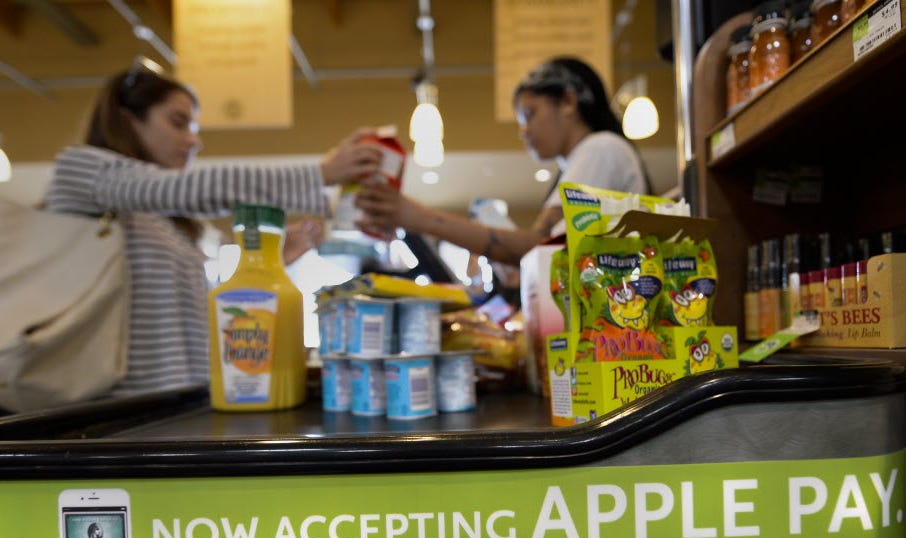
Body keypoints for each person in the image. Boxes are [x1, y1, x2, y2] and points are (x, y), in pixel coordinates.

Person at [43, 59, 382, 397]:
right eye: (178, 123)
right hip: (112, 409)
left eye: (193, 126)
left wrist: (271, 263)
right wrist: (319, 174)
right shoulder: (80, 168)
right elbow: (189, 189)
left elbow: (196, 318)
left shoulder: (162, 220)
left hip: (175, 404)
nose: (194, 140)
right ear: (128, 120)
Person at [355, 56, 650, 266]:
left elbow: (538, 246)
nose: (524, 131)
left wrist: (420, 217)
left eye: (530, 115)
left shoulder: (600, 149)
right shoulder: (593, 155)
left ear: (568, 102)